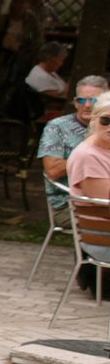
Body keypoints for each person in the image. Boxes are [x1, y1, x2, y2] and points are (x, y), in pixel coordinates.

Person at [39, 76, 109, 229]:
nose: (88, 105)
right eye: (82, 101)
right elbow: (53, 170)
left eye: (94, 100)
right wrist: (91, 161)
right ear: (75, 102)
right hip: (68, 204)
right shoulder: (57, 127)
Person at [66, 93, 110, 263]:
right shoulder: (88, 157)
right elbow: (105, 204)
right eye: (105, 120)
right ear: (93, 120)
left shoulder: (104, 146)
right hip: (102, 239)